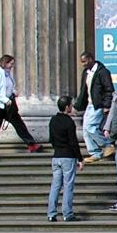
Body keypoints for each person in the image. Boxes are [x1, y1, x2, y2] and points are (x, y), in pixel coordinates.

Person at [0, 54, 42, 162]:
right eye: (11, 63)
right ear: (5, 63)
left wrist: (13, 93)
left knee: (18, 123)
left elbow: (7, 87)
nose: (12, 66)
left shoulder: (6, 74)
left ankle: (31, 144)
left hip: (5, 105)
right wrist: (4, 99)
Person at [46, 94, 84, 222]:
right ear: (67, 107)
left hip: (56, 156)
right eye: (71, 105)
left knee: (55, 185)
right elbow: (73, 142)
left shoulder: (53, 120)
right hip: (68, 156)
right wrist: (80, 159)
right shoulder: (69, 122)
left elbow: (51, 139)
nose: (72, 107)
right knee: (68, 185)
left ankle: (51, 213)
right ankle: (67, 213)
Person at [74, 50, 115, 162]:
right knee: (85, 130)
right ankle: (95, 153)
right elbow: (84, 91)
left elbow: (109, 89)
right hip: (90, 104)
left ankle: (108, 145)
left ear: (91, 59)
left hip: (98, 104)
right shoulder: (86, 73)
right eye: (82, 62)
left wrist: (107, 105)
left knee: (90, 127)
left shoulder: (103, 72)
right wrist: (77, 106)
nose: (83, 64)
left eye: (84, 61)